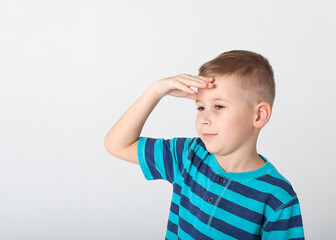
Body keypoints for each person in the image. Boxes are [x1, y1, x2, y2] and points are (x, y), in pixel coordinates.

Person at [104, 50, 304, 239]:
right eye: (200, 107)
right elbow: (117, 145)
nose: (204, 119)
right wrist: (155, 91)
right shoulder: (188, 155)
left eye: (218, 106)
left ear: (259, 115)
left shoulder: (278, 198)